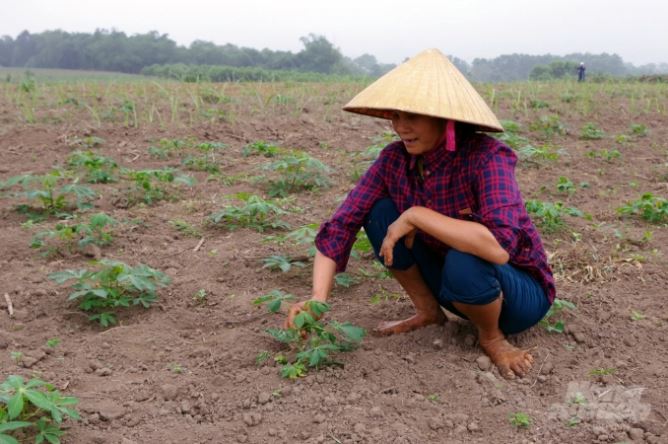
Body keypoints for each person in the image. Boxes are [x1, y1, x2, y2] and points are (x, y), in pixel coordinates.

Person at [285, 49, 555, 379]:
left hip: (517, 295)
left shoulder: (486, 157)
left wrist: (416, 215)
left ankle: (492, 336)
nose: (401, 127)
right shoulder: (394, 160)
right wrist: (318, 299)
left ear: (446, 117)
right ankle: (429, 312)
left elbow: (497, 248)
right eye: (395, 116)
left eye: (412, 116)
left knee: (464, 257)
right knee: (379, 213)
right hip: (457, 287)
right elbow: (342, 224)